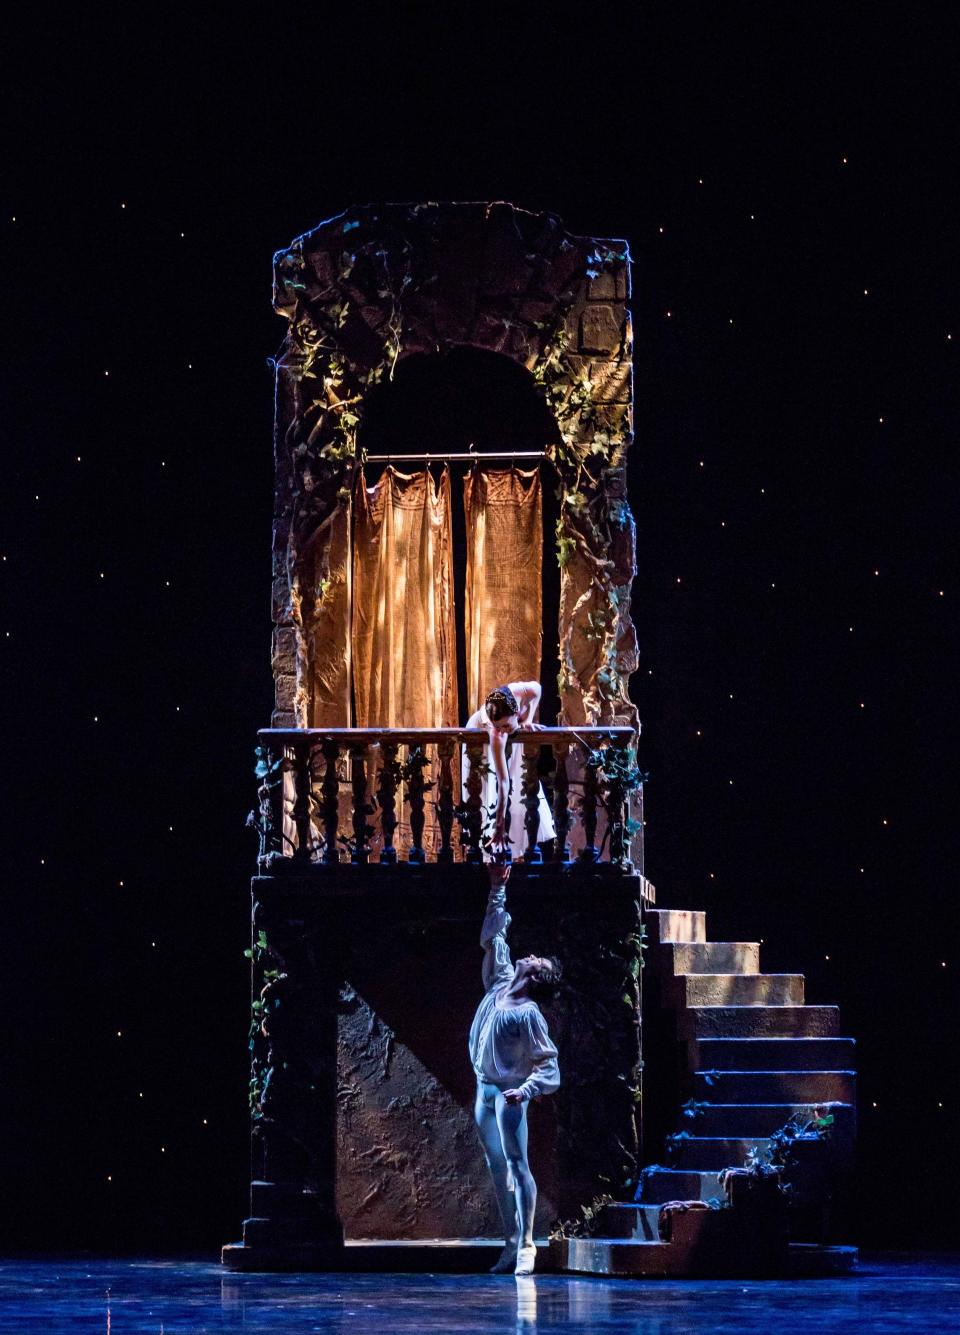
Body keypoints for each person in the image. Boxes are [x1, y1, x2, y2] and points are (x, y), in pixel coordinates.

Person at [469, 860, 561, 1275]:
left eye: (536, 959)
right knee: (496, 1166)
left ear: (536, 976)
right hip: (483, 1090)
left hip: (508, 1096)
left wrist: (524, 1091)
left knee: (518, 1164)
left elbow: (548, 1064)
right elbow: (494, 935)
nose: (530, 955)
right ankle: (509, 1241)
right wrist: (497, 888)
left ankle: (526, 1246)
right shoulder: (501, 981)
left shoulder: (528, 1014)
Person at [465, 681, 557, 855]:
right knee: (490, 788)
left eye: (506, 725)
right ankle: (488, 848)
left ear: (516, 713)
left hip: (512, 724)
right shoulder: (496, 732)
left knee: (519, 787)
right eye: (500, 727)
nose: (504, 731)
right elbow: (503, 781)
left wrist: (528, 720)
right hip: (480, 735)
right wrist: (499, 824)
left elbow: (538, 688)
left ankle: (517, 848)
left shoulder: (518, 691)